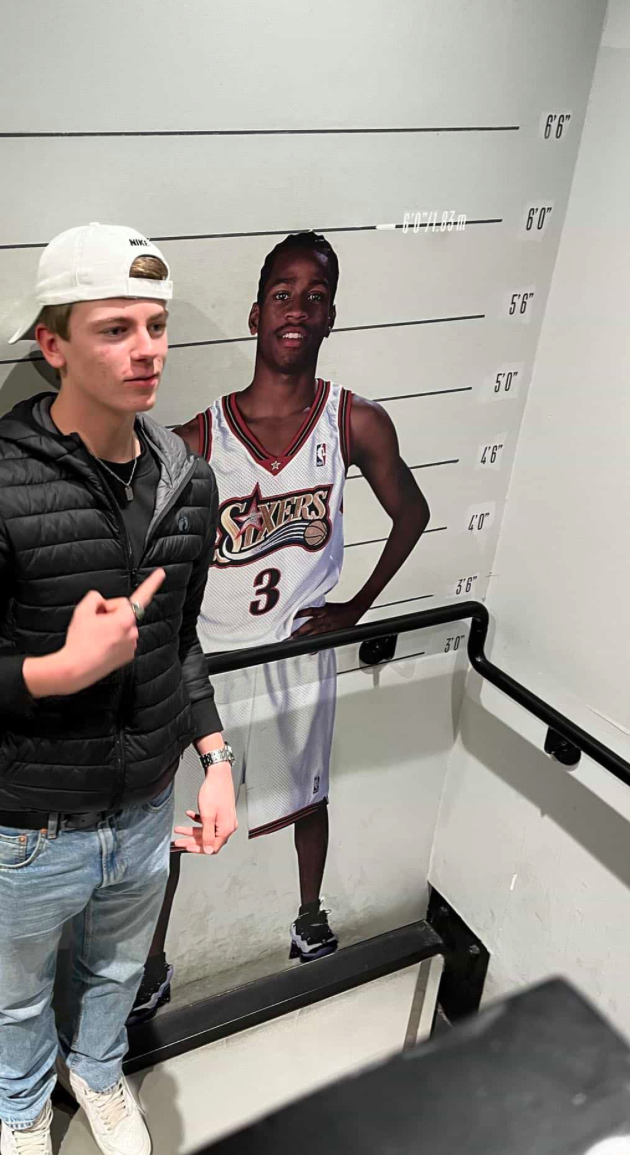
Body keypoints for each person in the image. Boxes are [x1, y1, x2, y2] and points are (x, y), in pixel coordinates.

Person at [0, 222, 237, 1155]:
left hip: (146, 809)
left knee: (116, 973)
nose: (146, 350)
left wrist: (215, 756)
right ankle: (24, 1111)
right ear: (53, 344)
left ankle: (99, 1074)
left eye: (155, 325)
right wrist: (53, 673)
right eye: (114, 328)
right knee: (18, 993)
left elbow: (179, 638)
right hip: (25, 829)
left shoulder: (187, 482)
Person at [129, 230, 430, 1024]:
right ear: (256, 313)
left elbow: (411, 511)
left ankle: (307, 918)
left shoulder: (353, 421)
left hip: (298, 650)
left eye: (315, 295)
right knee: (172, 812)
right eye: (283, 294)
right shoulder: (199, 437)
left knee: (307, 795)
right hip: (213, 657)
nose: (297, 307)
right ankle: (152, 961)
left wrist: (352, 607)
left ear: (330, 315)